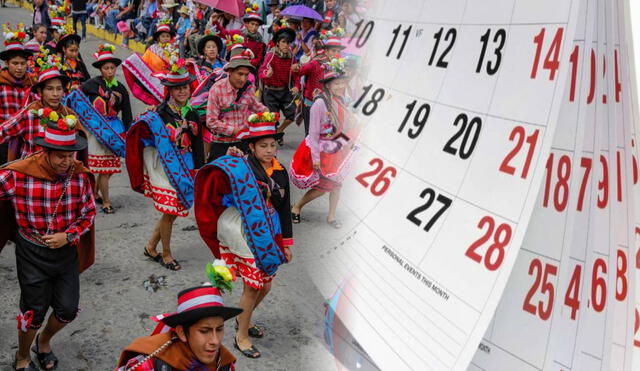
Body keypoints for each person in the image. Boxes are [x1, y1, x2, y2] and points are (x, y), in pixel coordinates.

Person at [0, 109, 96, 371]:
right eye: (61, 156)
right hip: (31, 252)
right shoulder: (19, 174)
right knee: (33, 312)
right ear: (45, 152)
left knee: (68, 309)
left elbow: (89, 212)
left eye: (71, 155)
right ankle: (22, 356)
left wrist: (69, 235)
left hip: (66, 252)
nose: (67, 161)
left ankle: (43, 341)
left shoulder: (79, 175)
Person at [194, 112, 293, 359]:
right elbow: (219, 181)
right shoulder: (242, 167)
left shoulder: (280, 173)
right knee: (252, 286)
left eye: (273, 145)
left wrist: (287, 243)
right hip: (242, 231)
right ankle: (241, 336)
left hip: (269, 231)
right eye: (263, 146)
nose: (269, 150)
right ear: (251, 147)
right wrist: (229, 159)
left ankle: (242, 320)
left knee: (266, 285)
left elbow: (284, 208)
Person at [126, 52, 204, 271]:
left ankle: (151, 246)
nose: (182, 91)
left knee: (171, 212)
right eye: (177, 88)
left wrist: (198, 169)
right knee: (170, 211)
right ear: (169, 90)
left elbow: (197, 145)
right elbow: (144, 135)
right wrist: (146, 117)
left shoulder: (193, 114)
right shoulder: (159, 113)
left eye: (185, 87)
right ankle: (167, 254)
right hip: (167, 167)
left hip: (186, 165)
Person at [116, 272, 241, 371]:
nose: (215, 341)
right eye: (204, 331)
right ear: (181, 332)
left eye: (219, 329)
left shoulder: (223, 364)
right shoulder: (150, 364)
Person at [290, 59, 357, 229]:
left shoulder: (340, 100)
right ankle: (297, 207)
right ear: (328, 85)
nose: (340, 86)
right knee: (323, 187)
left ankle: (331, 216)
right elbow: (312, 134)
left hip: (336, 147)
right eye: (336, 83)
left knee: (337, 185)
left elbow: (343, 124)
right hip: (322, 149)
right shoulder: (319, 103)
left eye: (342, 82)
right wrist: (316, 158)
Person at [80, 43, 132, 214]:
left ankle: (95, 192)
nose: (109, 71)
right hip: (97, 130)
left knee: (109, 168)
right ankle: (107, 202)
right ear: (101, 69)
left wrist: (128, 133)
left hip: (114, 129)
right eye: (106, 68)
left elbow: (127, 112)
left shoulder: (120, 88)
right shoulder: (91, 85)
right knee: (103, 169)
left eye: (112, 68)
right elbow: (78, 98)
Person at [0, 51, 80, 160]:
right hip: (29, 172)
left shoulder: (70, 115)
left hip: (59, 173)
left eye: (59, 89)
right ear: (39, 91)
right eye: (49, 89)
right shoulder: (29, 114)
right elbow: (3, 131)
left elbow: (77, 150)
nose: (55, 94)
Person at [205, 42, 267, 160]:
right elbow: (211, 121)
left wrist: (267, 113)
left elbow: (255, 105)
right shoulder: (217, 89)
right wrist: (234, 131)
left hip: (243, 143)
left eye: (246, 75)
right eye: (240, 74)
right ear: (230, 71)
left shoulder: (248, 88)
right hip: (221, 145)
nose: (243, 79)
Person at [293, 27, 345, 134]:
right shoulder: (315, 63)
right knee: (311, 135)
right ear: (326, 51)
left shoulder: (340, 66)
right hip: (312, 104)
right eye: (333, 50)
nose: (336, 53)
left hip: (329, 105)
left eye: (338, 51)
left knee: (327, 135)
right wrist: (297, 69)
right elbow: (300, 72)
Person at [0, 24, 34, 165]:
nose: (19, 68)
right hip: (4, 141)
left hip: (26, 141)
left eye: (22, 63)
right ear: (7, 63)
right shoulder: (1, 83)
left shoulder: (32, 83)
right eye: (15, 63)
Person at [258, 27, 299, 136]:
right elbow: (261, 71)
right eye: (283, 42)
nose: (286, 45)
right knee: (272, 119)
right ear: (277, 43)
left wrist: (297, 86)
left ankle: (279, 130)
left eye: (288, 42)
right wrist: (266, 75)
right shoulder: (271, 55)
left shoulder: (292, 57)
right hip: (270, 92)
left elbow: (296, 74)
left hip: (285, 91)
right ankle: (273, 137)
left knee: (293, 114)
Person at [57, 25, 90, 89]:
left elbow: (88, 81)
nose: (74, 54)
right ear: (64, 49)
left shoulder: (81, 65)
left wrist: (80, 86)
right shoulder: (59, 65)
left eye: (76, 50)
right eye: (71, 50)